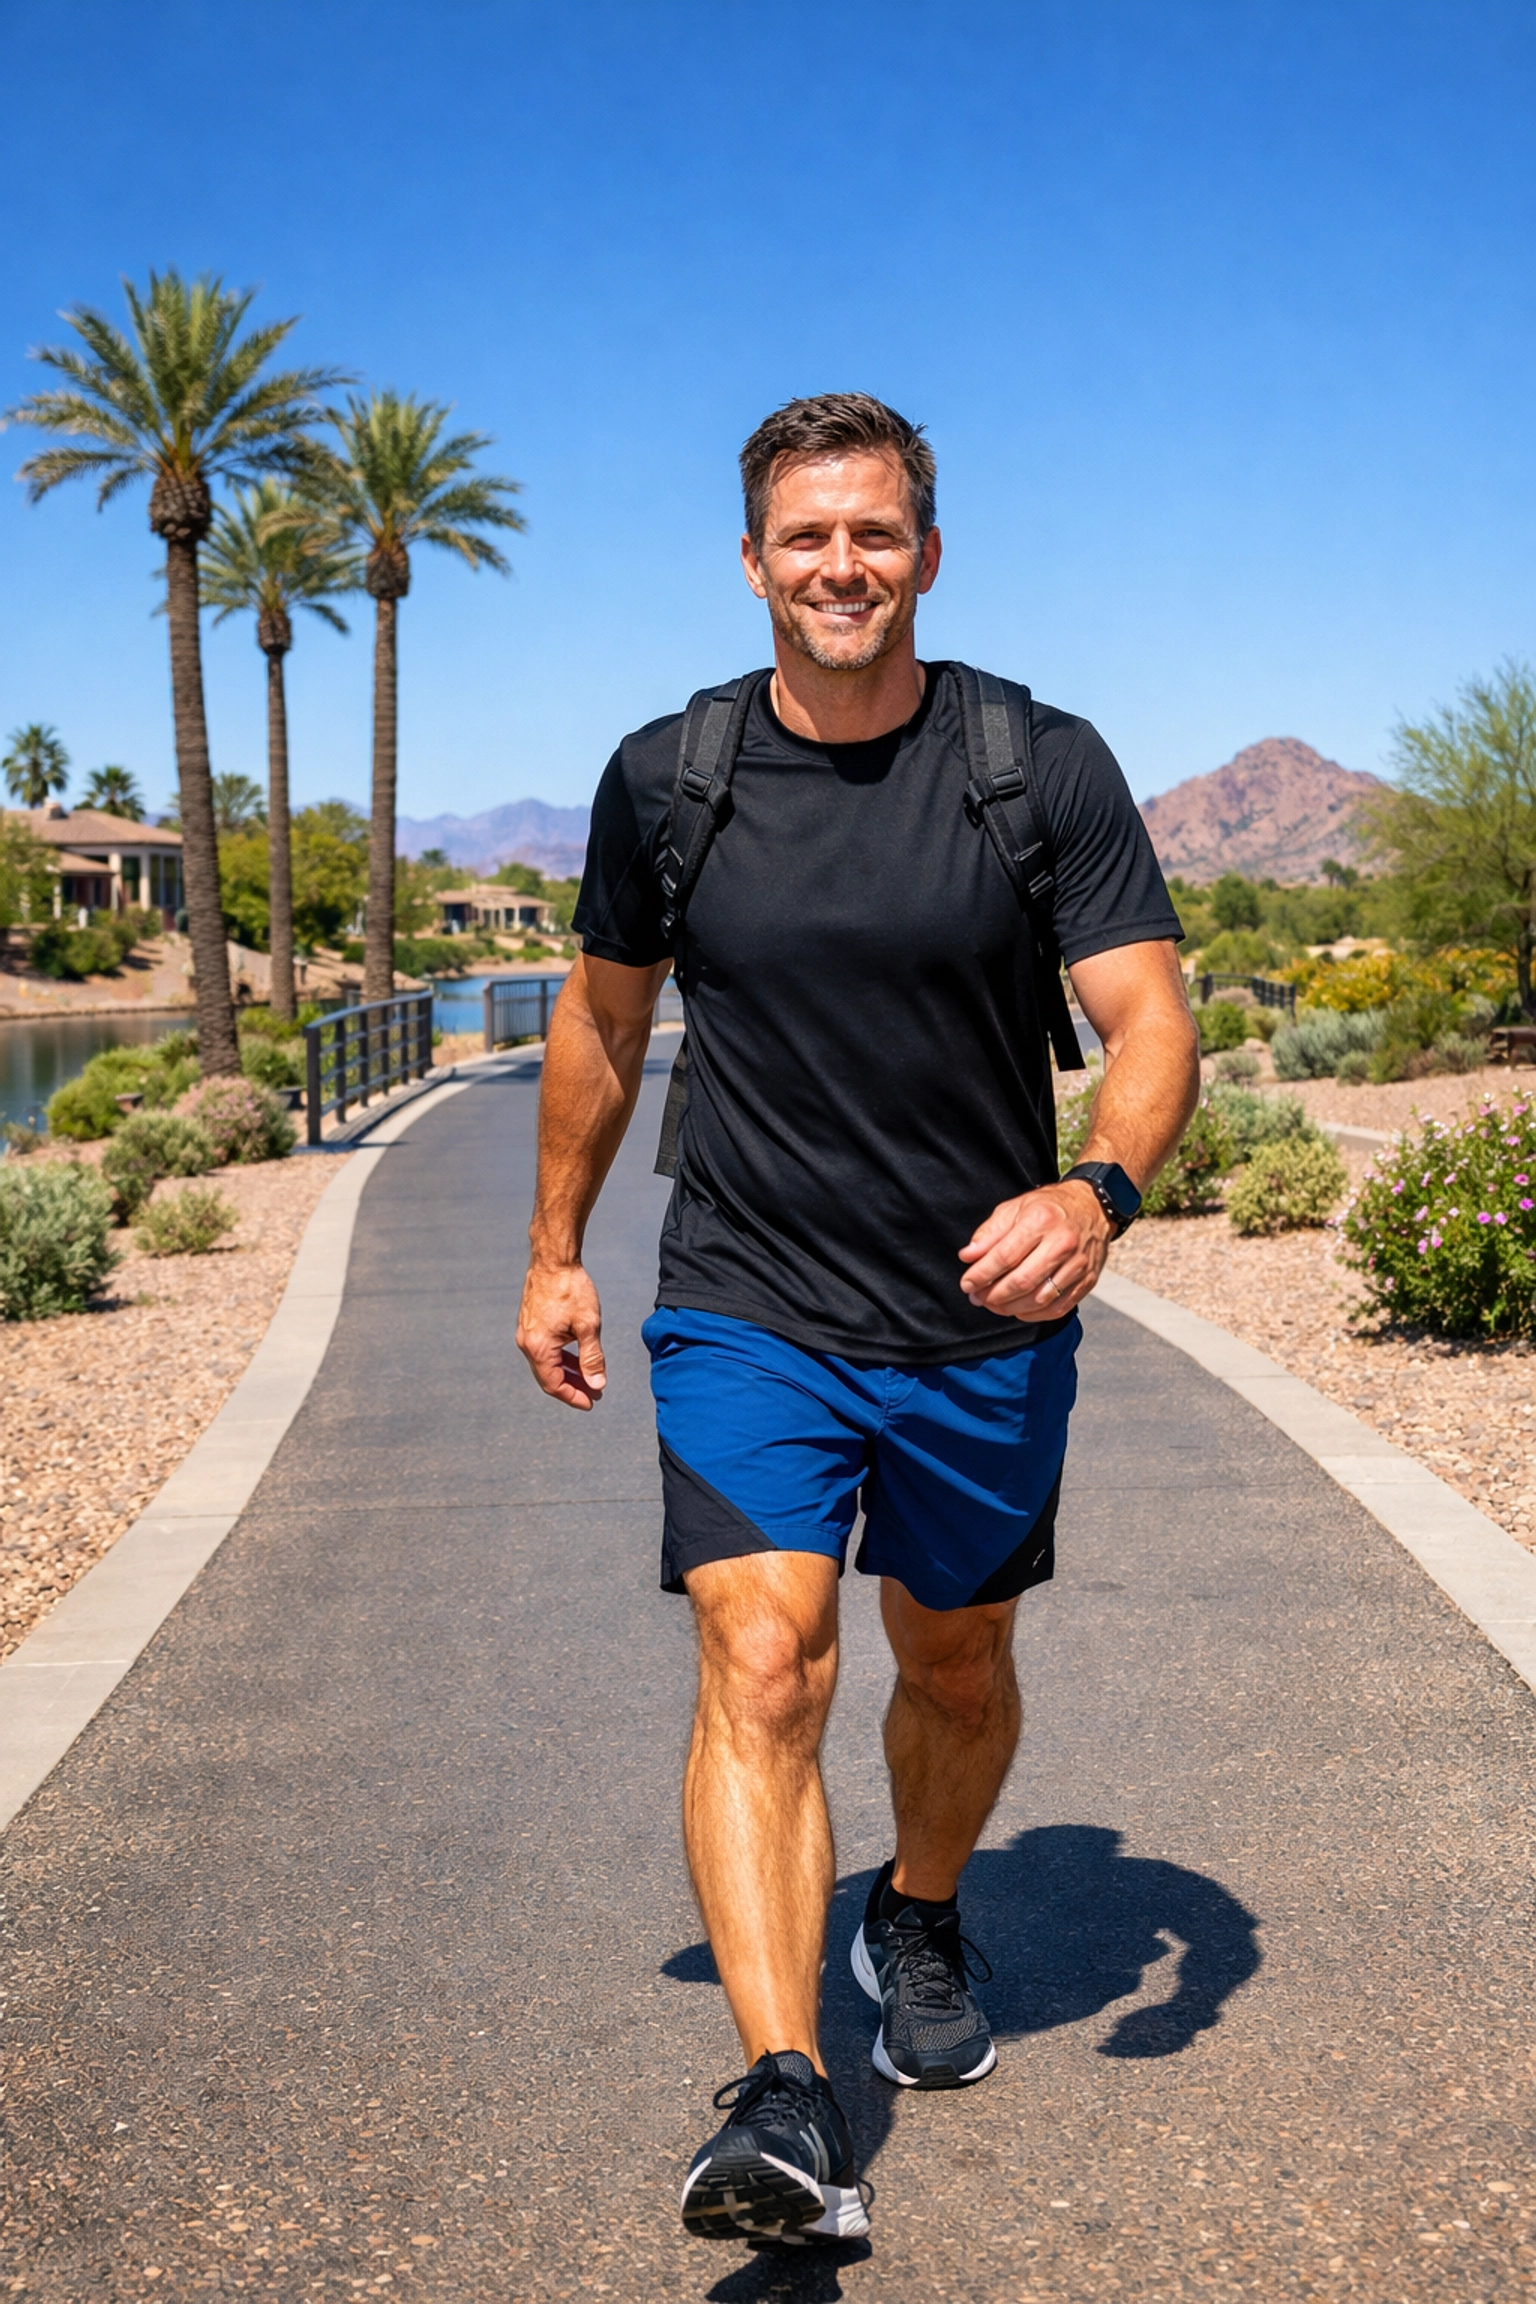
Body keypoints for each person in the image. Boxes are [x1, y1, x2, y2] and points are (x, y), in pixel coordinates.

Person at [517, 392, 1200, 2246]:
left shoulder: (1031, 763)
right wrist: (557, 1242)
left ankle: (915, 1907)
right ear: (752, 562)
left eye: (875, 533)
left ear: (927, 550)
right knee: (764, 1657)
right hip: (750, 1296)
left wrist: (1098, 1193)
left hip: (978, 1315)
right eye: (806, 538)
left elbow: (1150, 1024)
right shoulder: (672, 778)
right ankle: (782, 2089)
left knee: (954, 1662)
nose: (842, 566)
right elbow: (600, 1016)